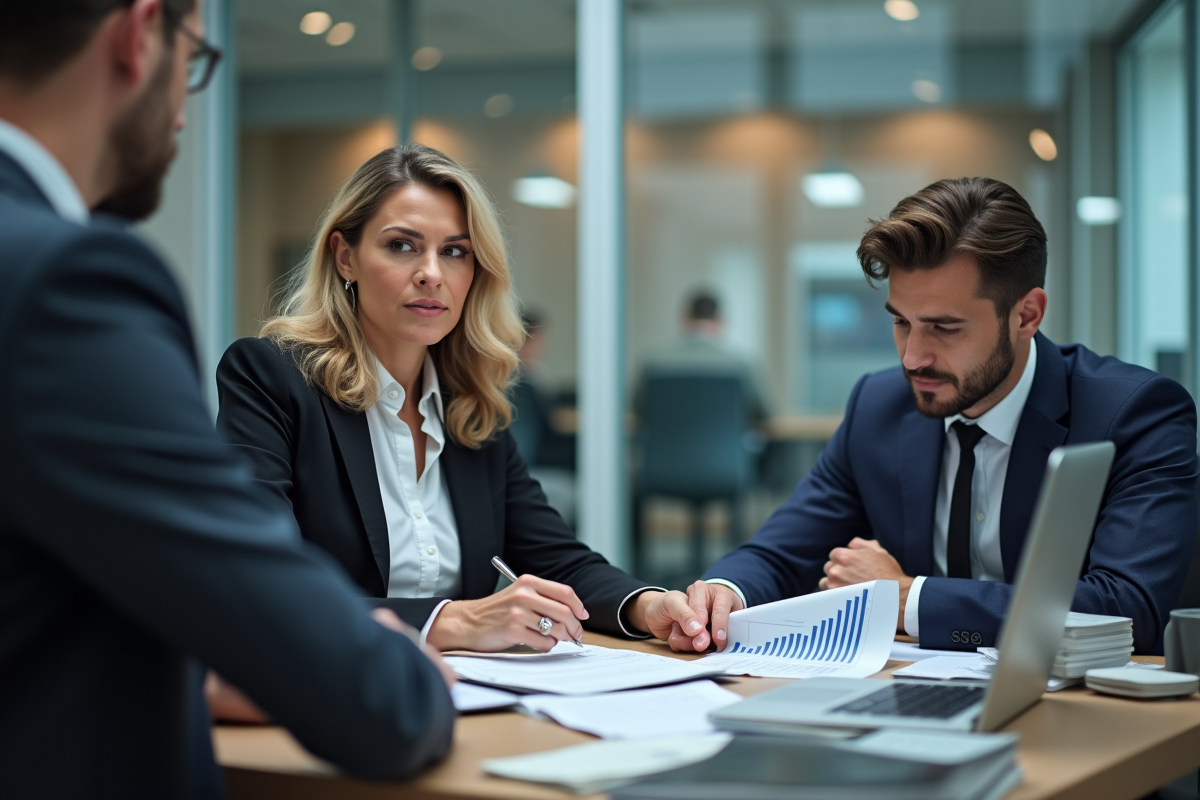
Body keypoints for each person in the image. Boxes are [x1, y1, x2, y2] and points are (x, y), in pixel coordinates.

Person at [0, 1, 457, 796]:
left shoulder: (466, 402)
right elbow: (362, 697)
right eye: (195, 63)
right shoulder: (64, 284)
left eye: (455, 253)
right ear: (139, 34)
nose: (184, 112)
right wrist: (400, 664)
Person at [670, 177, 1198, 656]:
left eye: (944, 328)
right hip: (911, 702)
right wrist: (723, 594)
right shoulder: (877, 407)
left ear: (1026, 315)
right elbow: (781, 554)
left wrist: (909, 599)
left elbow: (1129, 610)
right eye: (902, 322)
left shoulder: (1133, 414)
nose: (911, 357)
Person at [215, 144, 704, 654]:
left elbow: (558, 559)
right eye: (402, 246)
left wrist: (646, 606)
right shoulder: (271, 377)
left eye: (455, 251)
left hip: (468, 698)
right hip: (327, 694)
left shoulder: (470, 407)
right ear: (345, 256)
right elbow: (262, 578)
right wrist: (450, 621)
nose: (432, 273)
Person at [637, 289, 769, 423]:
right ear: (720, 320)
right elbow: (765, 415)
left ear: (685, 317)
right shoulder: (741, 364)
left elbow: (636, 413)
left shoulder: (655, 362)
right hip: (725, 443)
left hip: (663, 444)